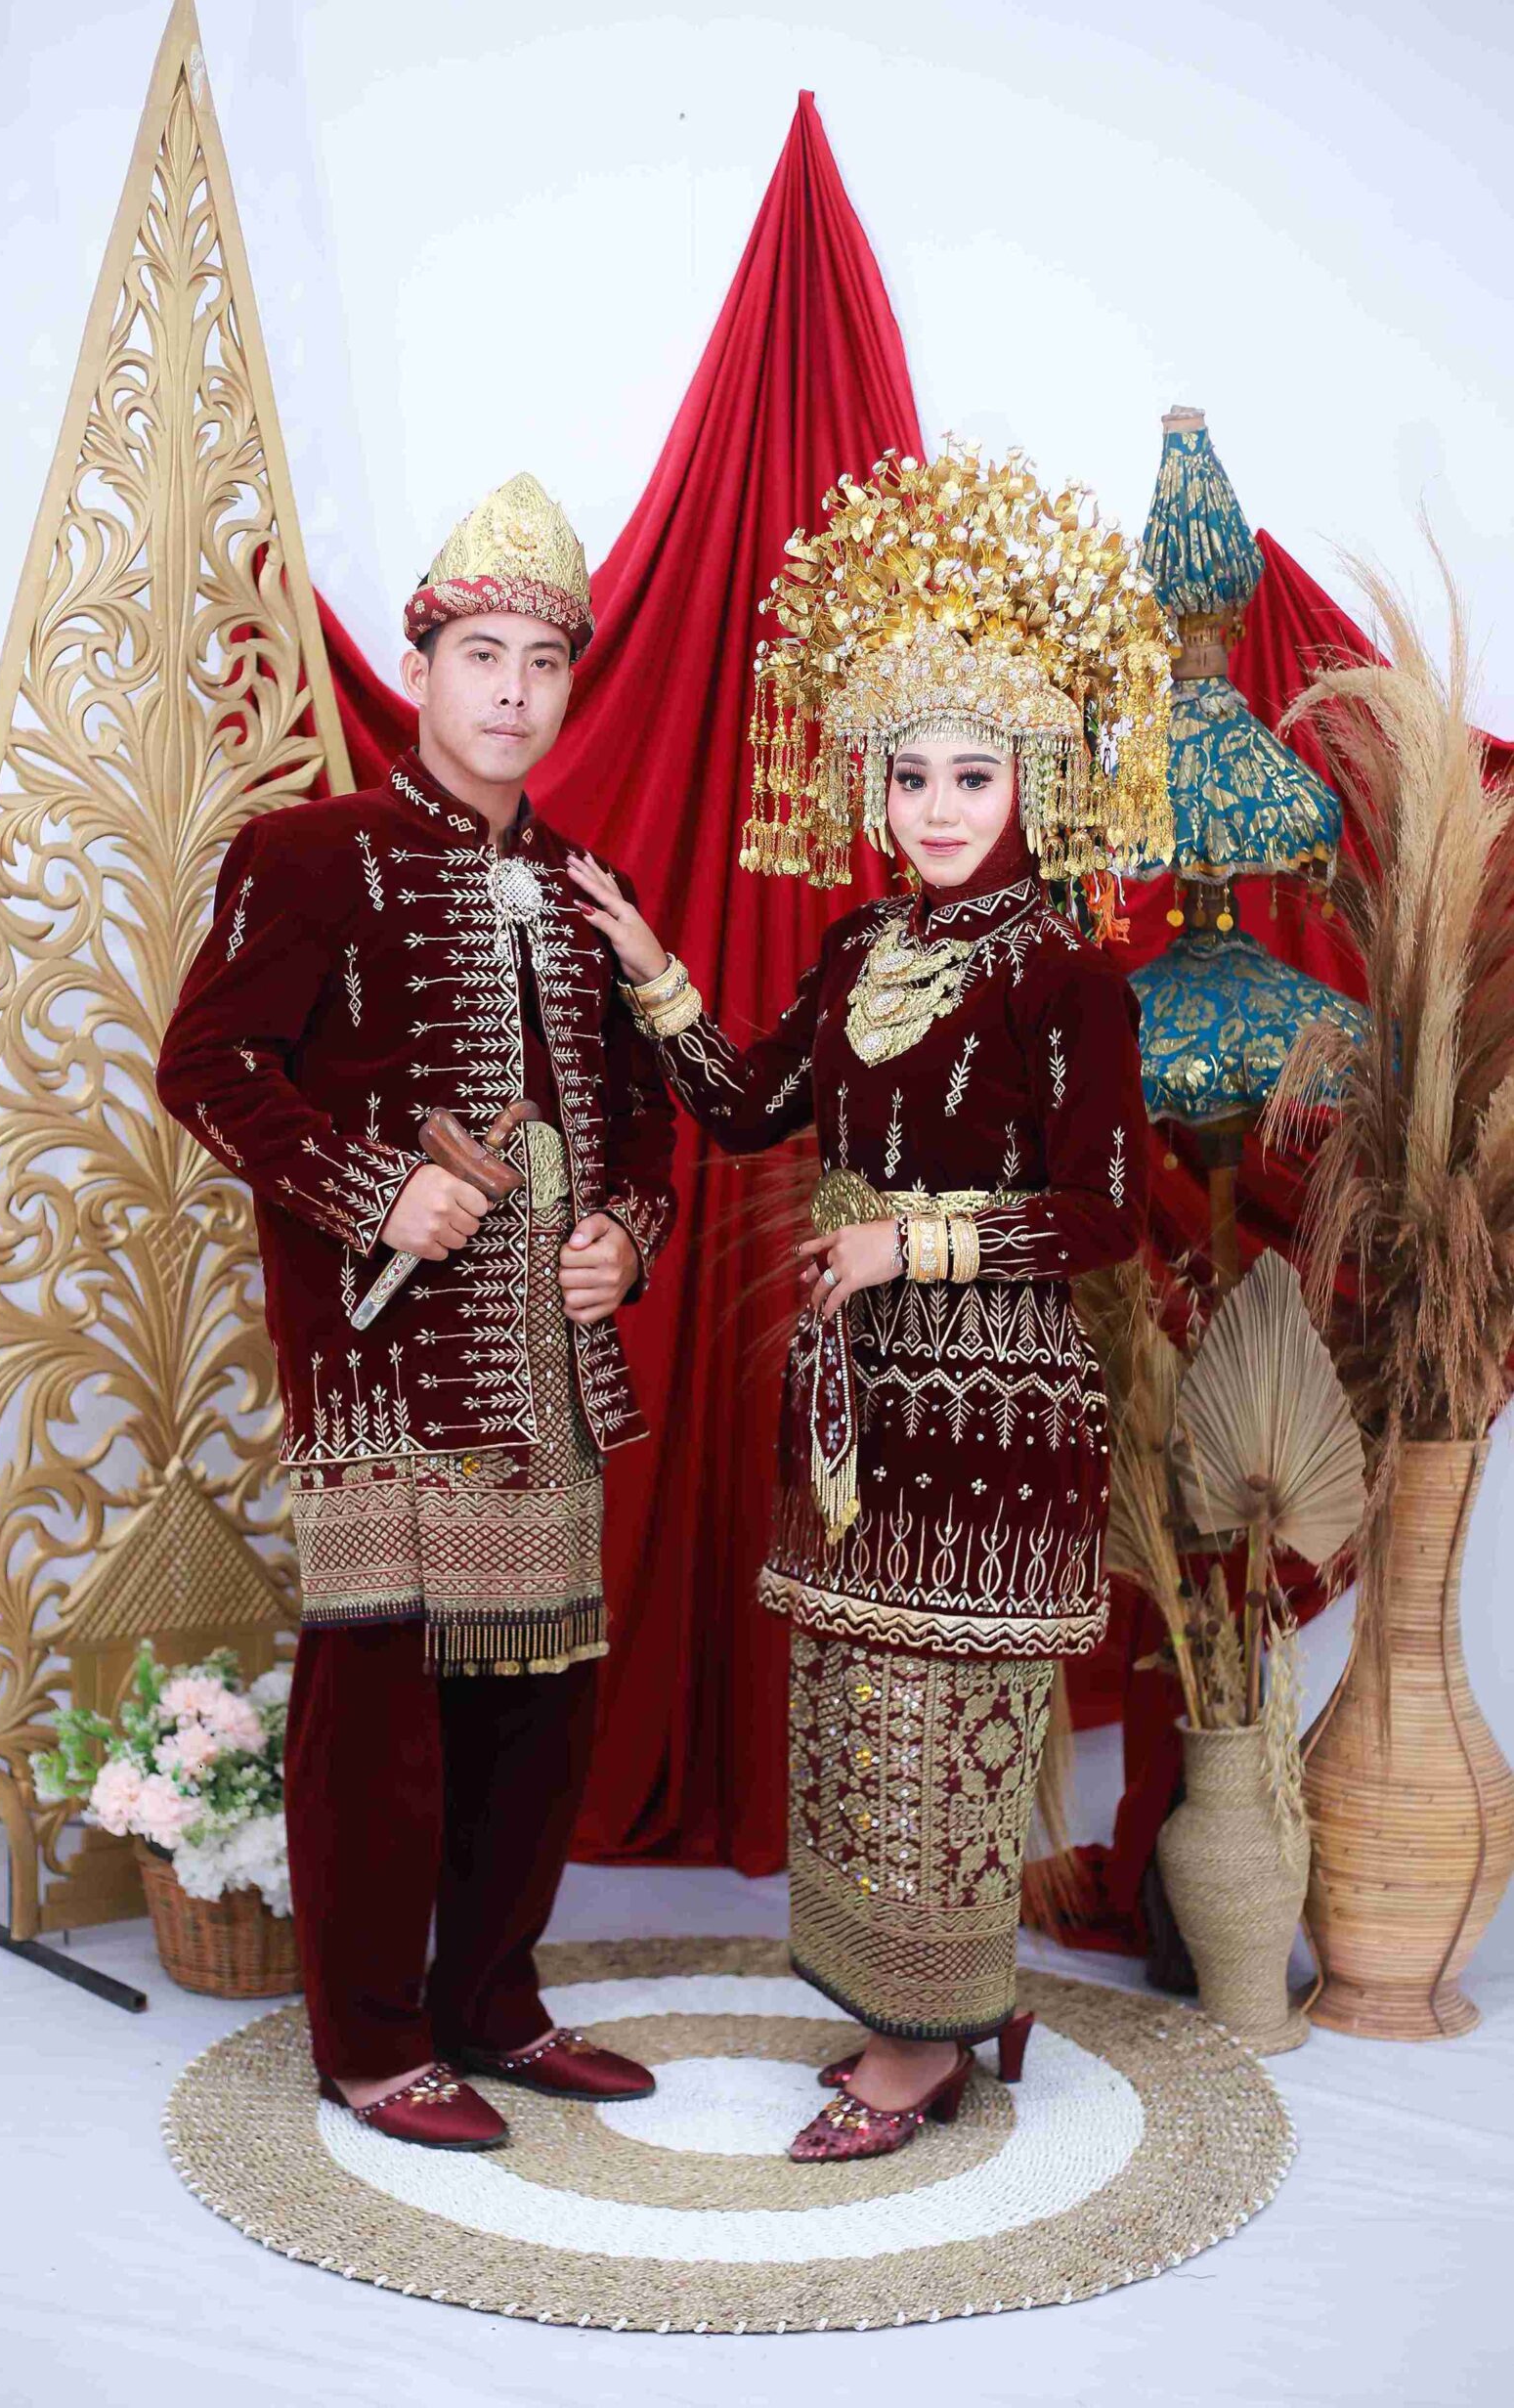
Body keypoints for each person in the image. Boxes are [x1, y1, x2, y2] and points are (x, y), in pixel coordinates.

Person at [570, 445, 1167, 2163]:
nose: (935, 808)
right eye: (909, 775)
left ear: (1033, 781)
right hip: (850, 1402)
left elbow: (1108, 1214)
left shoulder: (1065, 971)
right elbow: (745, 1108)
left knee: (940, 1727)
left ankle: (922, 2047)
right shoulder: (853, 950)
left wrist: (916, 1249)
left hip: (994, 1406)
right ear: (872, 787)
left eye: (972, 774)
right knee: (847, 1721)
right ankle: (931, 2011)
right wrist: (650, 969)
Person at [157, 473, 676, 2150]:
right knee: (380, 1714)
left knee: (536, 1713)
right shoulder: (310, 854)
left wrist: (624, 1237)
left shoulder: (590, 885)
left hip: (551, 1376)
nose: (513, 692)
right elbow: (206, 1065)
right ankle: (374, 2040)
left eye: (544, 662)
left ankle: (494, 2006)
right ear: (424, 666)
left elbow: (644, 1121)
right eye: (482, 657)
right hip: (383, 1373)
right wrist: (375, 1188)